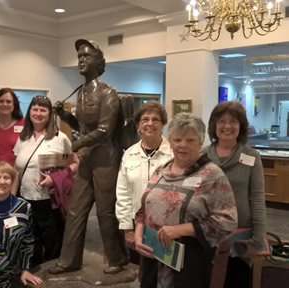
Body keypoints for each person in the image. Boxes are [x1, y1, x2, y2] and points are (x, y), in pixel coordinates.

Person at [50, 39, 128, 275]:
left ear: (98, 62)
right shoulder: (81, 92)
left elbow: (104, 130)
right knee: (76, 209)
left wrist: (76, 144)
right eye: (79, 57)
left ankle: (117, 259)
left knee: (105, 211)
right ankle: (70, 259)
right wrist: (65, 116)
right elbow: (82, 126)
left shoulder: (108, 93)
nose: (81, 61)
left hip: (106, 160)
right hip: (87, 158)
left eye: (86, 57)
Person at [134, 113, 238, 288]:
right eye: (177, 139)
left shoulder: (212, 175)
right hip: (154, 255)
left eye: (190, 140)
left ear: (200, 142)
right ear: (170, 141)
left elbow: (228, 221)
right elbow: (144, 208)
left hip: (190, 262)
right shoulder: (162, 170)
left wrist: (180, 230)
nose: (182, 145)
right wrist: (138, 233)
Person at [204, 101, 267, 288]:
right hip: (207, 236)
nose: (227, 126)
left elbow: (257, 199)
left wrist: (258, 240)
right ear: (214, 125)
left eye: (233, 122)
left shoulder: (252, 156)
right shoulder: (201, 156)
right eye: (221, 121)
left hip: (239, 239)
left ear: (241, 126)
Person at [14, 95, 79, 267]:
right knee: (31, 244)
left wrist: (55, 178)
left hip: (51, 202)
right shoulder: (23, 137)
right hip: (26, 200)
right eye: (35, 109)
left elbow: (74, 163)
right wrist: (12, 199)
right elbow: (17, 170)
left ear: (50, 114)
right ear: (29, 113)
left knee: (53, 245)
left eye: (43, 109)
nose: (38, 113)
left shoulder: (60, 138)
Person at [115, 102, 172, 263]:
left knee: (167, 275)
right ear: (138, 125)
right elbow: (123, 193)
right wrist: (127, 229)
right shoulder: (129, 154)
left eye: (156, 120)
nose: (150, 124)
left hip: (166, 228)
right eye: (145, 119)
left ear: (162, 124)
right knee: (142, 274)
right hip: (137, 227)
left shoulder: (173, 154)